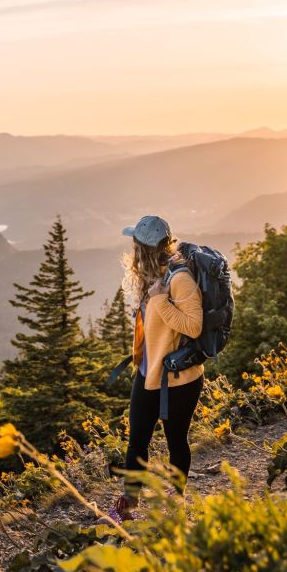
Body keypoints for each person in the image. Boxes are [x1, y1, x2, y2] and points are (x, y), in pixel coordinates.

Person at [113, 215, 204, 521]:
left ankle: (176, 502)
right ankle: (128, 505)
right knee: (137, 439)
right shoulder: (151, 277)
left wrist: (161, 302)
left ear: (144, 249)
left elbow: (193, 327)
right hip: (148, 374)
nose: (132, 250)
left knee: (176, 440)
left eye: (135, 245)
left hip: (179, 380)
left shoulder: (179, 279)